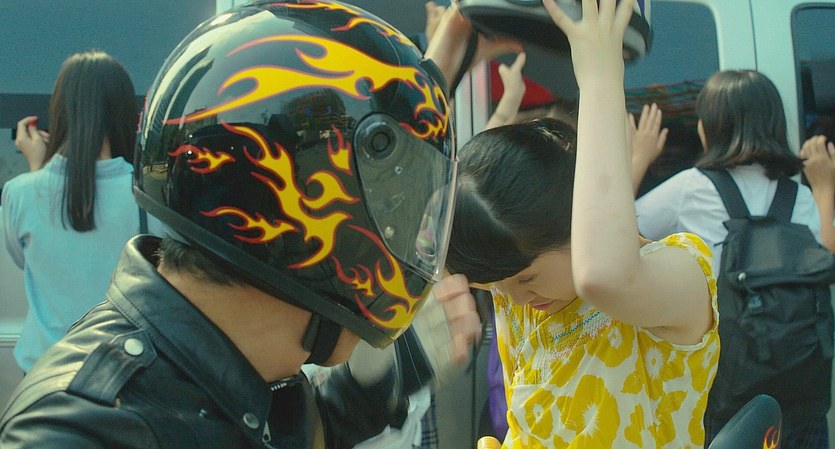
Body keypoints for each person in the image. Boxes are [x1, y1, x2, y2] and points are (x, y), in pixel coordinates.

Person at [0, 1, 510, 447]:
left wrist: (371, 386)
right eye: (393, 205)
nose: (403, 230)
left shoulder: (238, 367)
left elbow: (304, 432)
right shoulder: (85, 430)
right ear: (302, 205)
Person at [444, 0, 719, 447]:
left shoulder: (680, 273)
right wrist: (449, 47)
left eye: (526, 278)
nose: (513, 296)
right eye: (497, 285)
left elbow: (604, 276)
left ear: (577, 217)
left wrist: (600, 75)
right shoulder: (516, 288)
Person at [635, 70, 827, 447]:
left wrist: (638, 159)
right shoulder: (802, 197)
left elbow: (613, 234)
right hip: (801, 400)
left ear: (709, 128)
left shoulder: (691, 188)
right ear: (775, 124)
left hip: (725, 398)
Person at [1, 50, 148, 373]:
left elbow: (33, 261)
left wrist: (38, 170)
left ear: (59, 111)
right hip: (120, 374)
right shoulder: (148, 197)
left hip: (44, 376)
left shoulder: (19, 193)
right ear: (126, 112)